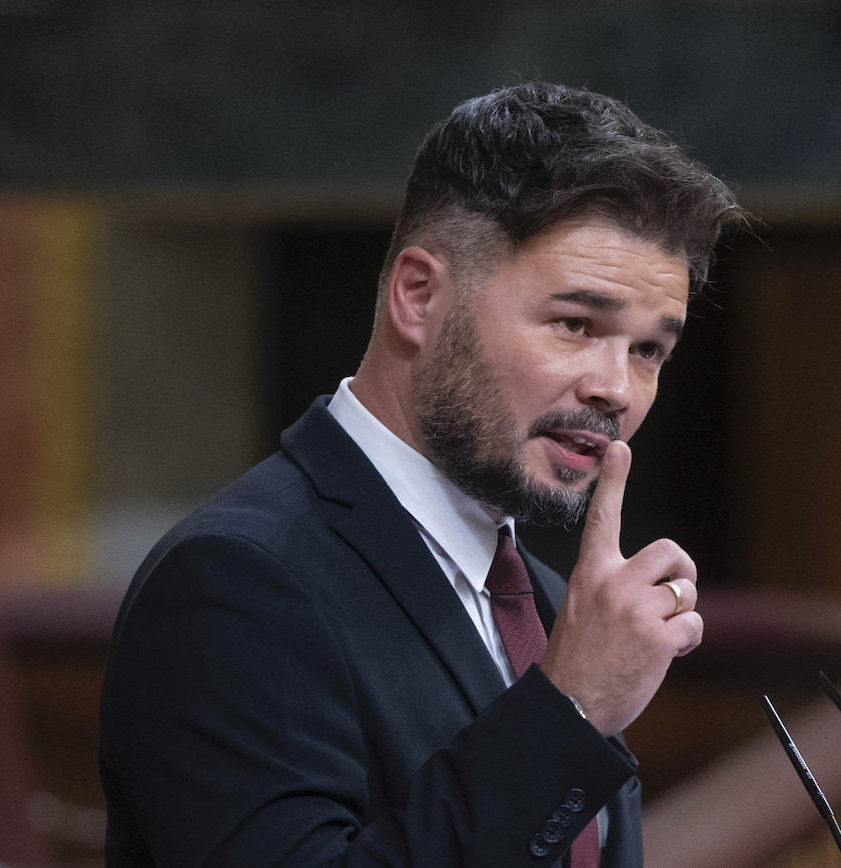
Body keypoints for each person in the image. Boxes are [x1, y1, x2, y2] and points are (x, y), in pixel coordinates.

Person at [99, 81, 744, 867]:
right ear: (419, 296)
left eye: (649, 351)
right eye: (577, 324)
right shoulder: (237, 582)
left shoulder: (546, 603)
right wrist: (570, 709)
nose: (618, 388)